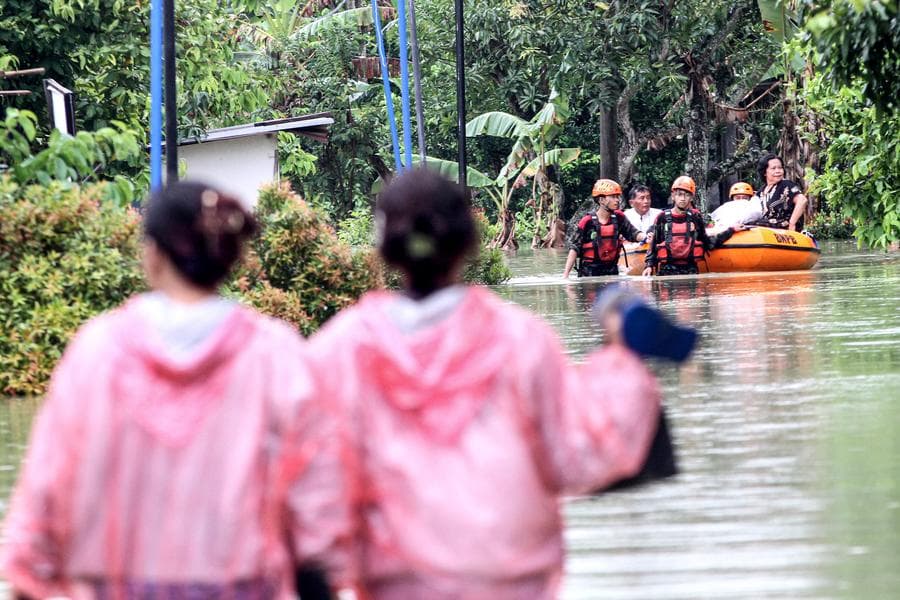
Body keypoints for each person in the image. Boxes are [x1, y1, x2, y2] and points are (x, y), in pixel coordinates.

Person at [309, 168, 662, 599]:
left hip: (397, 582)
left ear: (384, 246)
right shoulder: (521, 338)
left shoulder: (339, 349)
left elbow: (313, 488)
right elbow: (577, 456)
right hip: (511, 580)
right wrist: (623, 359)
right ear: (468, 242)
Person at [1, 182, 349, 599]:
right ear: (228, 256)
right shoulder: (274, 353)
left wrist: (29, 577)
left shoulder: (98, 349)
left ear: (153, 254)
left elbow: (48, 485)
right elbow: (320, 500)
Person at [642, 176, 742, 276]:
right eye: (679, 195)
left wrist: (731, 230)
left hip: (691, 270)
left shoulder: (696, 217)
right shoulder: (662, 218)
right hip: (667, 271)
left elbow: (708, 243)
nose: (683, 199)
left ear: (691, 197)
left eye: (687, 195)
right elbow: (653, 246)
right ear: (673, 196)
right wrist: (649, 266)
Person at [563, 178, 647, 278]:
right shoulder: (587, 221)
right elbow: (574, 249)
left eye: (617, 197)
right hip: (589, 273)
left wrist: (646, 237)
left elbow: (633, 234)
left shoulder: (619, 218)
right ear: (601, 200)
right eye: (613, 197)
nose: (617, 200)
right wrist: (566, 275)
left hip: (611, 271)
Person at [751, 154, 809, 231]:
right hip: (764, 232)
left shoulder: (786, 185)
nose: (778, 171)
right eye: (773, 168)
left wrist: (792, 223)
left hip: (784, 230)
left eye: (780, 168)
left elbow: (802, 200)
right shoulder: (760, 192)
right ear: (764, 172)